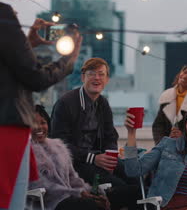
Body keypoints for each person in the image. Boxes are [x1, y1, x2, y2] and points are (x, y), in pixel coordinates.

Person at [0, 0, 82, 208]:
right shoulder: (2, 14)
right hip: (7, 128)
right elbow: (34, 78)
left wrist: (26, 44)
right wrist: (69, 60)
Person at [50, 58, 139, 210]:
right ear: (83, 77)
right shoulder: (65, 103)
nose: (97, 78)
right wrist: (93, 158)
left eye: (101, 74)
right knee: (123, 188)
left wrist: (110, 158)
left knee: (136, 178)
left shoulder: (103, 103)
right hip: (76, 164)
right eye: (92, 74)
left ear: (107, 79)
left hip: (100, 159)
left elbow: (111, 136)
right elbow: (60, 145)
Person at [29, 105, 110, 210]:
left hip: (70, 197)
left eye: (43, 122)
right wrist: (78, 193)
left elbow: (73, 178)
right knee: (90, 205)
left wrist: (88, 192)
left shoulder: (59, 146)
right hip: (49, 203)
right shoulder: (25, 152)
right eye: (33, 123)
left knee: (100, 202)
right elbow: (40, 185)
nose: (39, 127)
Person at [152, 63, 187, 144]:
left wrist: (184, 137)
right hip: (166, 146)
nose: (184, 76)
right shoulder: (167, 96)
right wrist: (162, 143)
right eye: (185, 72)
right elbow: (158, 126)